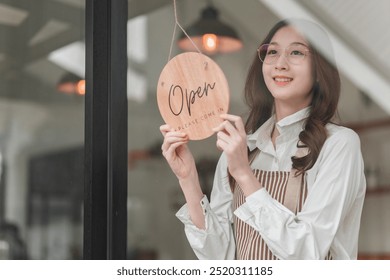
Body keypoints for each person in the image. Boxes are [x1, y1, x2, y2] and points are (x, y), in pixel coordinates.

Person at [160, 18, 366, 260]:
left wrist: (245, 175)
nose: (280, 63)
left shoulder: (339, 144)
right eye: (273, 51)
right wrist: (188, 179)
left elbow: (308, 254)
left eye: (297, 52)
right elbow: (218, 259)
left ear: (320, 70)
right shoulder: (241, 149)